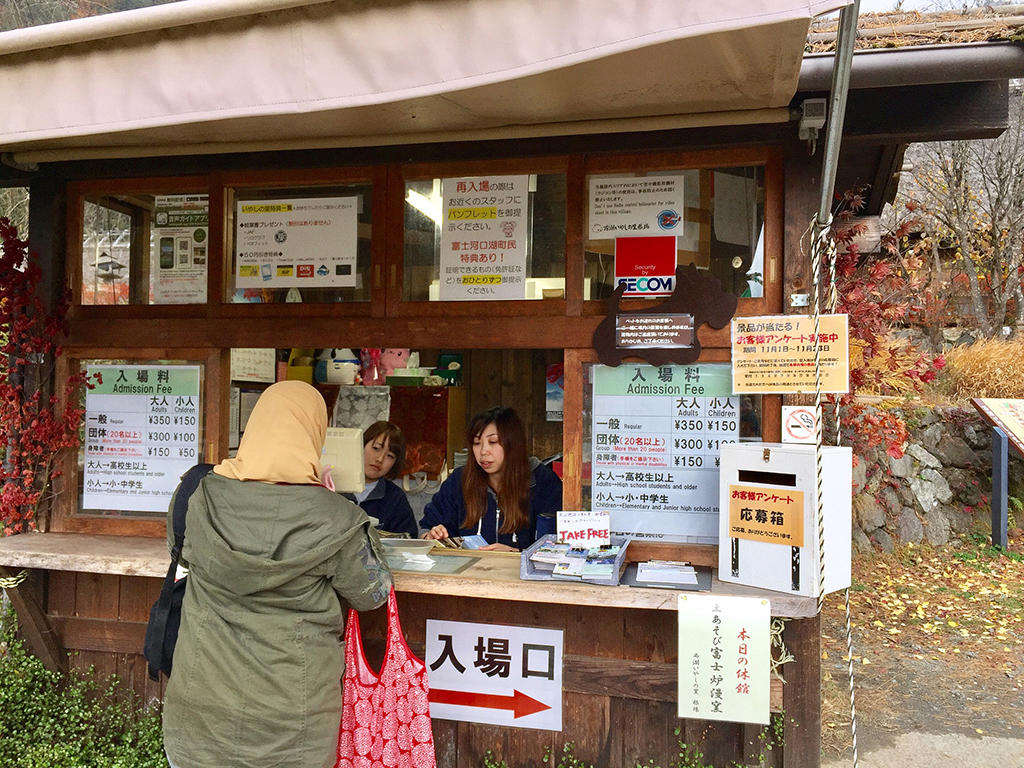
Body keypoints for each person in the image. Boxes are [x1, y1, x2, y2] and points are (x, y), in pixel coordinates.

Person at [162, 381, 391, 768]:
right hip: (291, 730)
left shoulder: (199, 497)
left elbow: (180, 550)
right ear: (315, 434)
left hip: (198, 718)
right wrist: (336, 502)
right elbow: (374, 592)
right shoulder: (337, 517)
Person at [420, 406, 562, 551]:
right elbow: (427, 527)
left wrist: (516, 554)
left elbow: (557, 546)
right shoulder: (459, 480)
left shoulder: (542, 481)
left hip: (520, 573)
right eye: (476, 443)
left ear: (513, 443)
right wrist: (431, 536)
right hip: (468, 571)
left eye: (493, 442)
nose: (483, 451)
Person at [343, 421, 417, 538]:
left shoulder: (395, 498)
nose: (380, 459)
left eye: (390, 456)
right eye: (376, 448)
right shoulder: (332, 487)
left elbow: (408, 539)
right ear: (360, 445)